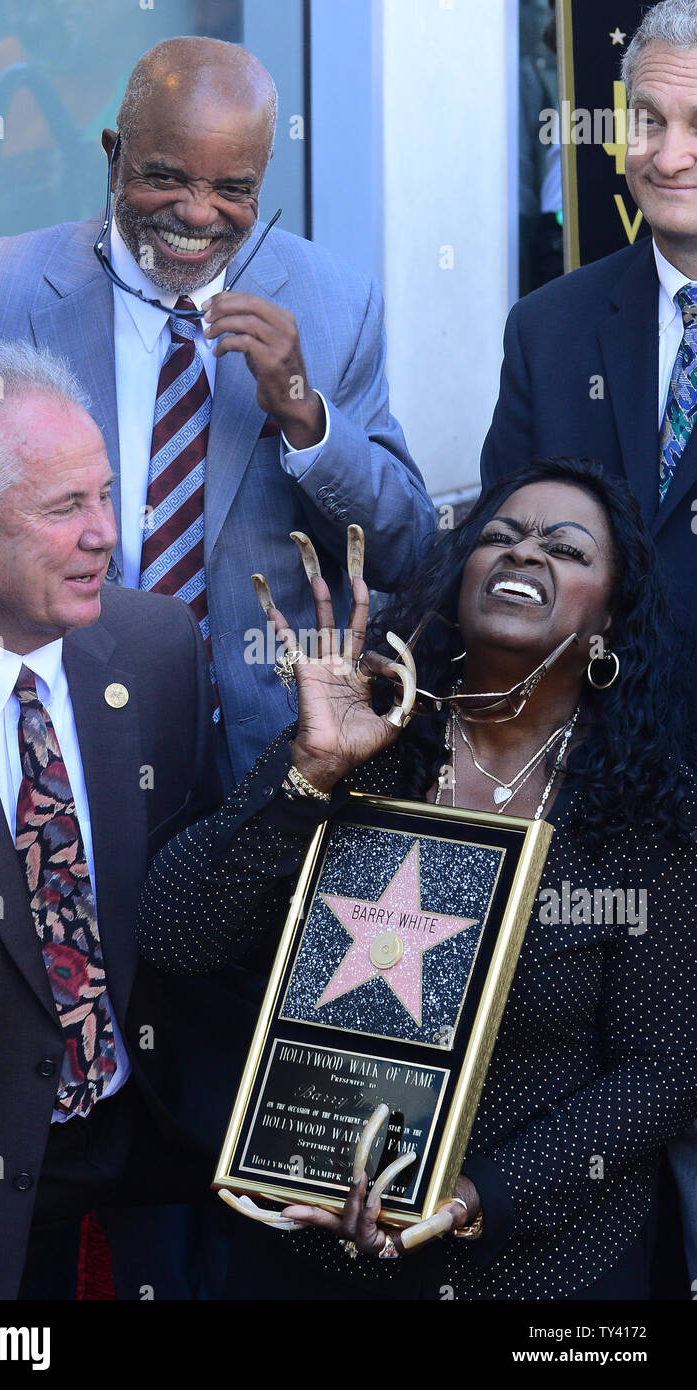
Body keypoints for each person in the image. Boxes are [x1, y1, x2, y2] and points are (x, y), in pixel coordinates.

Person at [136, 457, 697, 1299]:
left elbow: (663, 1072)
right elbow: (175, 934)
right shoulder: (371, 742)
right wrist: (309, 775)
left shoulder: (647, 811)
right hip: (307, 1250)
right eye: (499, 537)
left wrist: (470, 1198)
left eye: (566, 549)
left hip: (536, 1270)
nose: (523, 554)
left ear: (610, 619)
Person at [0, 34, 434, 788]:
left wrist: (304, 415)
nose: (196, 213)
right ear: (113, 155)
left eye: (233, 188)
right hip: (47, 741)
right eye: (165, 177)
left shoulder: (337, 304)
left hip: (270, 756)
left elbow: (407, 548)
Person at [0, 340, 224, 1299]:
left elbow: (197, 909)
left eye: (107, 495)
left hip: (150, 1167)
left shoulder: (158, 649)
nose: (107, 537)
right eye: (64, 509)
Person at [481, 0, 697, 662]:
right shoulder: (546, 329)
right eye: (650, 121)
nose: (668, 158)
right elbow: (498, 559)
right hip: (589, 741)